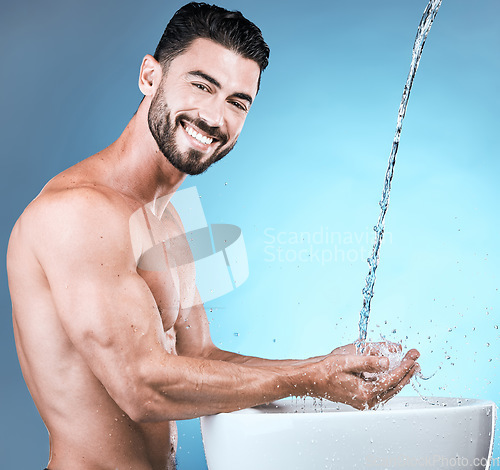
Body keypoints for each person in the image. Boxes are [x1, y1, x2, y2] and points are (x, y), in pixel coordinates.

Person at [6, 3, 420, 469]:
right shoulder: (80, 212)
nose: (212, 116)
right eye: (201, 85)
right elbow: (141, 386)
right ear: (149, 76)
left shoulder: (169, 217)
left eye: (236, 102)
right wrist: (312, 379)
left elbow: (200, 357)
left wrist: (331, 366)